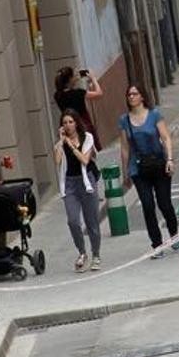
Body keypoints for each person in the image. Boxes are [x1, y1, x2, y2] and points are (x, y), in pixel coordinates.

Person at [119, 85, 179, 258]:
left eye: (134, 94)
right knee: (147, 205)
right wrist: (126, 173)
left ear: (142, 97)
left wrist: (169, 159)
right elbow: (124, 148)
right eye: (128, 94)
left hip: (159, 164)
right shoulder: (124, 120)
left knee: (164, 204)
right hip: (138, 168)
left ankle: (174, 234)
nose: (131, 96)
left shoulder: (154, 115)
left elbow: (166, 137)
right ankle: (157, 245)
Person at [55, 109, 102, 272]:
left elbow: (84, 159)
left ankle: (96, 254)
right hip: (70, 184)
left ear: (76, 123)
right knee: (73, 221)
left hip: (87, 181)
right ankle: (82, 252)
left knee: (92, 222)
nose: (68, 126)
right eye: (64, 123)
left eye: (70, 122)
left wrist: (71, 145)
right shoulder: (62, 142)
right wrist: (62, 141)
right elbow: (57, 161)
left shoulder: (87, 137)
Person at [54, 66, 104, 150]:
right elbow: (99, 93)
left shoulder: (57, 96)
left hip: (69, 127)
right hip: (84, 124)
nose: (76, 77)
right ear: (69, 80)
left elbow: (66, 88)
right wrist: (93, 79)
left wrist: (75, 78)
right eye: (74, 76)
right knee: (90, 148)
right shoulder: (78, 93)